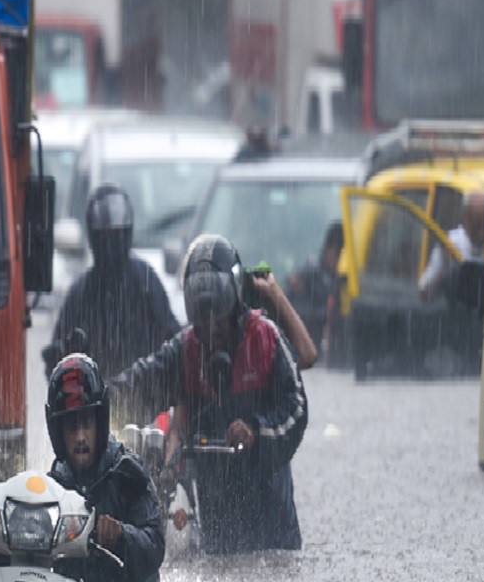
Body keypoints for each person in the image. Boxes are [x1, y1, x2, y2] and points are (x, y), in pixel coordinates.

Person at [111, 233, 307, 555]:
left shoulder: (267, 339)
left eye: (219, 321)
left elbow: (297, 409)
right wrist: (99, 399)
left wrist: (256, 431)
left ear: (235, 308)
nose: (212, 332)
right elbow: (142, 381)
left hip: (274, 533)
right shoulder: (185, 349)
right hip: (216, 527)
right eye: (203, 324)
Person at [0, 353, 165, 582]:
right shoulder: (54, 486)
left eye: (86, 423)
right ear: (57, 431)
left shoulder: (128, 474)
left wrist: (121, 535)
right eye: (71, 425)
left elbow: (155, 545)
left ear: (100, 422)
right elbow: (15, 553)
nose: (80, 436)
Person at [42, 184, 181, 380]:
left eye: (119, 235)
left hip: (146, 398)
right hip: (96, 402)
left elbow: (174, 338)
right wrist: (61, 356)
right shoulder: (80, 294)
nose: (113, 244)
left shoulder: (145, 282)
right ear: (94, 237)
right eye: (106, 236)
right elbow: (56, 369)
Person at [284, 222, 344, 360]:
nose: (340, 261)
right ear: (328, 250)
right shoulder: (312, 272)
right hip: (304, 349)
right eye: (338, 255)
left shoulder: (336, 277)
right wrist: (325, 314)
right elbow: (296, 311)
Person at [418, 191, 484, 302]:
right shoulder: (449, 243)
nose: (481, 232)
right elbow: (424, 294)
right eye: (477, 225)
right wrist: (448, 272)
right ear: (466, 220)